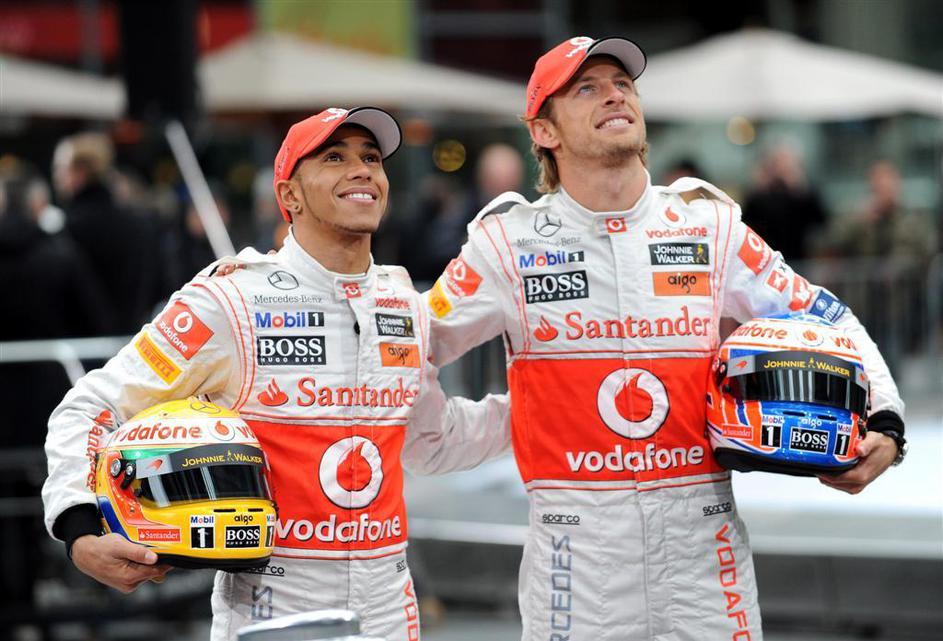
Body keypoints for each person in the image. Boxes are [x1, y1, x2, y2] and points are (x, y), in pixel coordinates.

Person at [423, 37, 906, 640]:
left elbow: (826, 315)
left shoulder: (708, 224)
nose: (615, 96)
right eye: (587, 88)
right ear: (544, 130)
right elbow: (405, 355)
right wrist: (498, 424)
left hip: (706, 554)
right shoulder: (505, 243)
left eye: (624, 84)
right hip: (577, 564)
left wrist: (886, 422)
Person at [42, 107, 511, 641]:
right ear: (290, 196)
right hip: (273, 611)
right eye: (334, 158)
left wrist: (544, 411)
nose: (361, 170)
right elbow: (91, 405)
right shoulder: (231, 299)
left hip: (389, 611)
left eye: (371, 158)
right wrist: (79, 528)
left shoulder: (402, 303)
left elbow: (432, 440)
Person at [52, 131, 164, 334]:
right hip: (132, 338)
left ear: (80, 172)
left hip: (79, 342)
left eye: (61, 168)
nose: (56, 176)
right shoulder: (140, 224)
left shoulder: (67, 227)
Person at [741, 144, 828, 262]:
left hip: (799, 258)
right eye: (778, 162)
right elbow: (748, 221)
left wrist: (800, 189)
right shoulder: (763, 193)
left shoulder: (803, 192)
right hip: (766, 257)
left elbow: (819, 221)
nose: (782, 168)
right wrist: (757, 191)